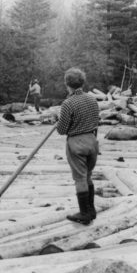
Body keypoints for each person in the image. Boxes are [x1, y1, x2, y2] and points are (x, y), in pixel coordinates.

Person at [57, 67, 100, 225]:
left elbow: (62, 130)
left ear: (67, 84)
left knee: (80, 179)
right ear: (82, 82)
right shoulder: (92, 99)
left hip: (77, 143)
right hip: (92, 141)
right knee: (88, 176)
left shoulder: (68, 103)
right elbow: (96, 120)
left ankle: (84, 213)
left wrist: (59, 121)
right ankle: (91, 210)